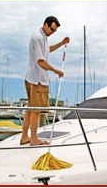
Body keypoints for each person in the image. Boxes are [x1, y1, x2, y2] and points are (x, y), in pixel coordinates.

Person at [20, 16, 70, 146]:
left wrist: (61, 43)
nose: (52, 32)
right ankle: (34, 139)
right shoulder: (39, 38)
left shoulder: (43, 37)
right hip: (37, 80)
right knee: (36, 110)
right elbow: (40, 61)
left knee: (30, 109)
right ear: (46, 25)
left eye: (55, 31)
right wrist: (56, 71)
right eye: (52, 29)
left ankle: (25, 136)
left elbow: (49, 49)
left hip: (32, 77)